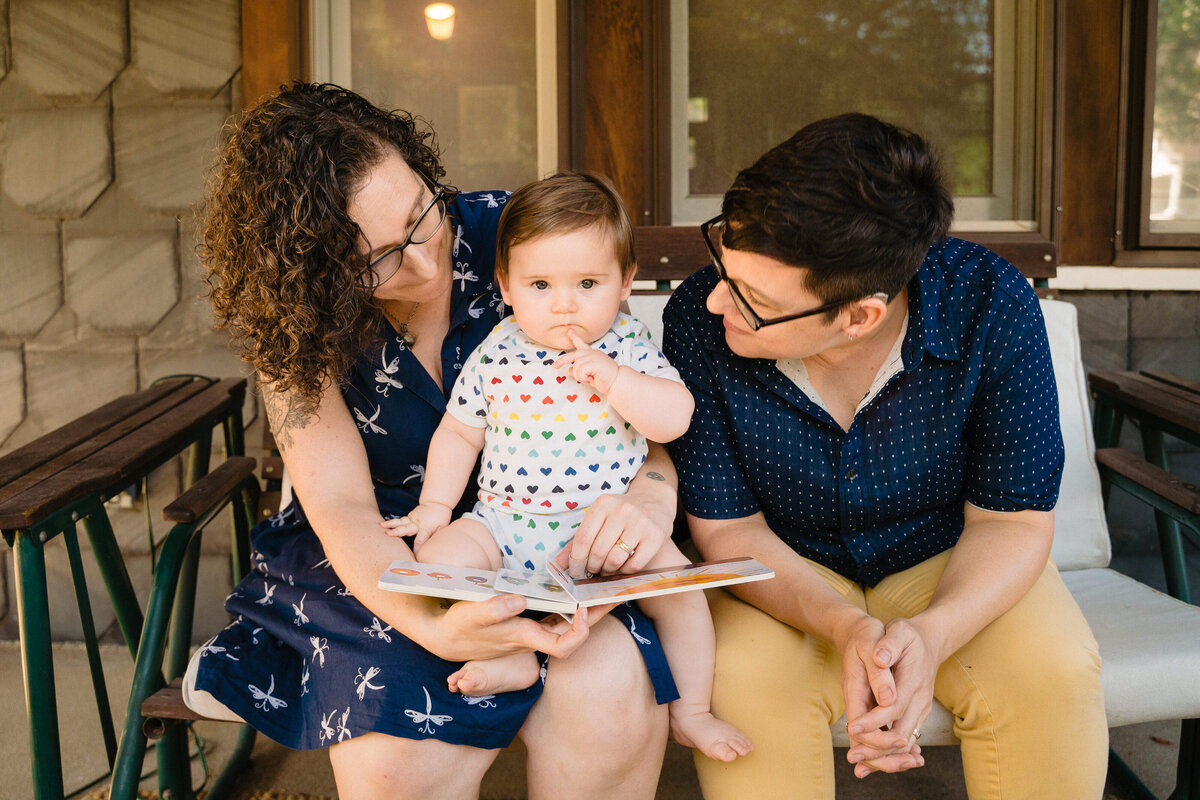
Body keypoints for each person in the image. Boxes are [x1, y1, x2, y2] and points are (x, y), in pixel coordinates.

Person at [187, 82, 684, 799]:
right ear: (310, 274)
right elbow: (341, 505)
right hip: (386, 556)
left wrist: (650, 501)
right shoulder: (293, 324)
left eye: (421, 215)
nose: (424, 264)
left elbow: (634, 418)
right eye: (378, 260)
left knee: (606, 697)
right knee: (401, 756)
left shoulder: (529, 245)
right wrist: (436, 622)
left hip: (561, 531)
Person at [661, 113, 1108, 799]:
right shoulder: (699, 317)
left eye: (752, 299)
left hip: (948, 556)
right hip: (776, 567)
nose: (717, 296)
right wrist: (843, 625)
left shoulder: (991, 302)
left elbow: (1012, 521)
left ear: (859, 315)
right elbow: (727, 531)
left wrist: (932, 634)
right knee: (746, 688)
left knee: (1052, 673)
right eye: (723, 260)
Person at [383, 171, 752, 763]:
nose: (564, 304)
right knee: (438, 564)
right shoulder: (497, 349)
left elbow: (675, 418)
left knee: (680, 594)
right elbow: (459, 431)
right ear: (505, 285)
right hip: (502, 524)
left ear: (625, 281)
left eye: (587, 282)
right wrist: (434, 507)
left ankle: (693, 711)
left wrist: (620, 383)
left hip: (604, 536)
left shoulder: (627, 346)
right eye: (540, 284)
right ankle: (509, 657)